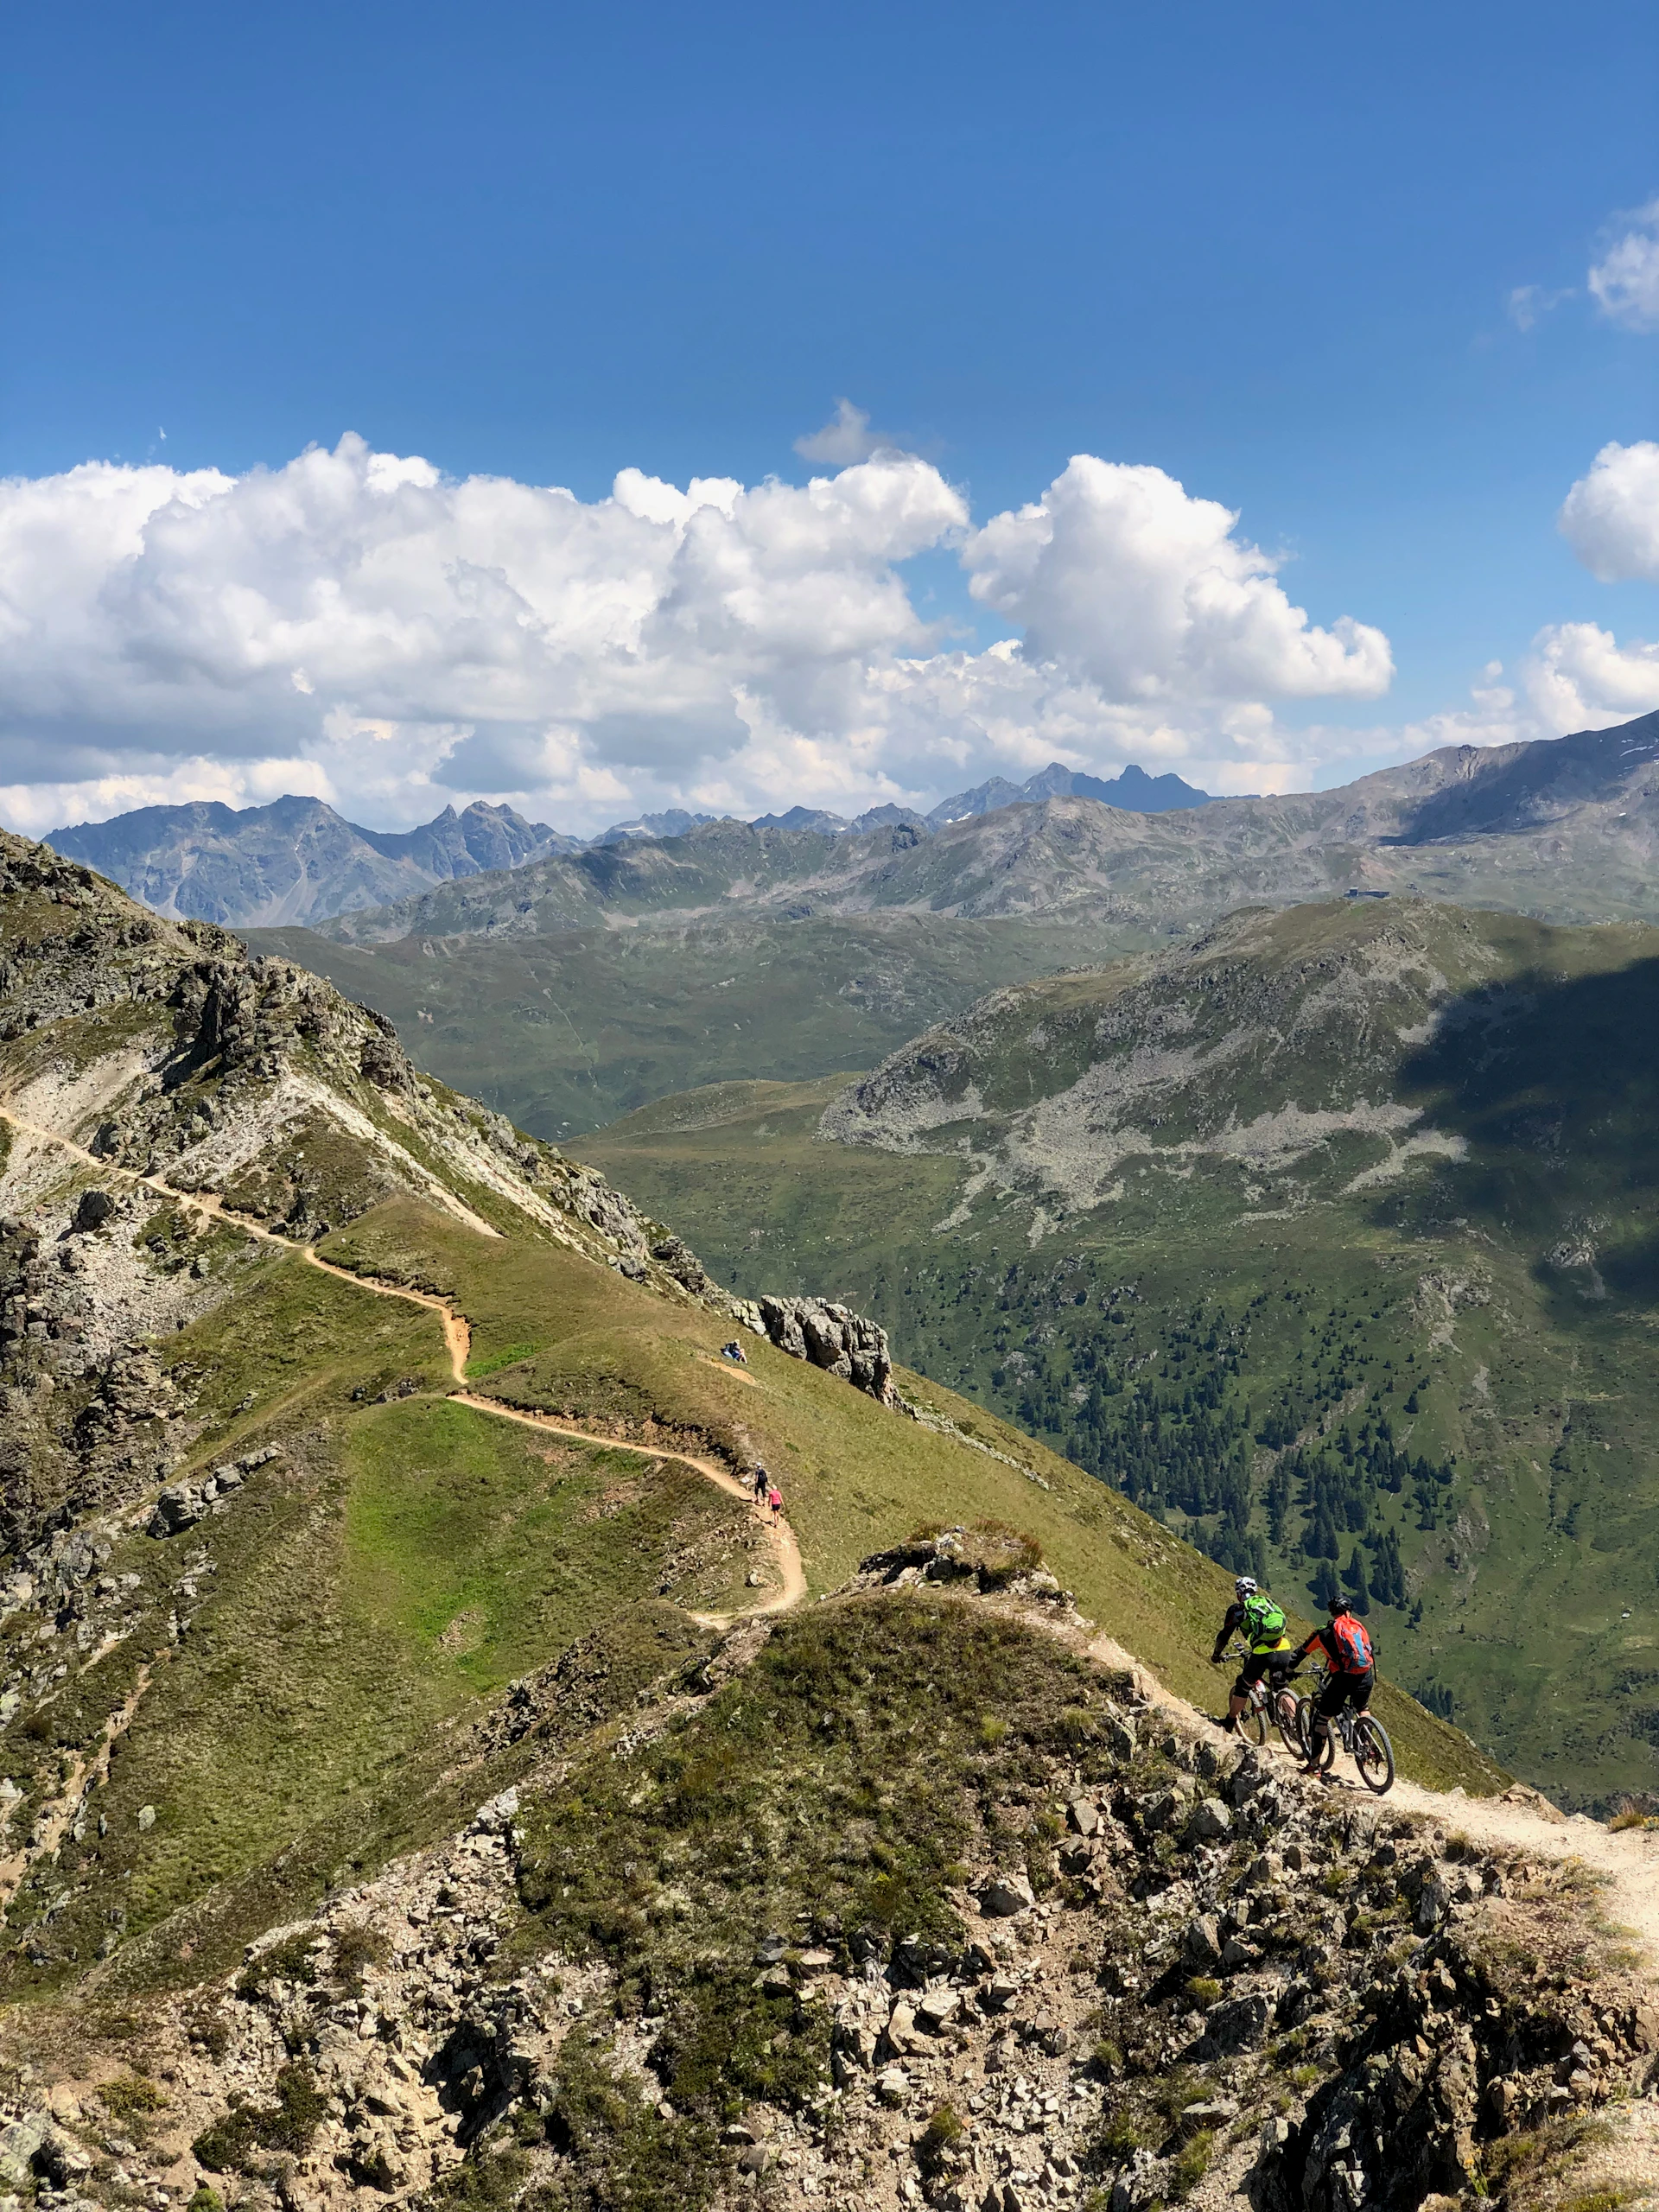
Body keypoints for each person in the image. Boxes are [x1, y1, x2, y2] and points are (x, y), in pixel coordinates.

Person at [1291, 1594, 1376, 1777]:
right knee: (1362, 1707)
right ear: (1348, 1611)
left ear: (1332, 1613)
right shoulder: (1358, 1627)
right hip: (1365, 1675)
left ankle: (1314, 1765)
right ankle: (1368, 1746)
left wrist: (1288, 1670)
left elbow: (1302, 1652)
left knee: (1321, 1719)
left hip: (1343, 1679)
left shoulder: (1323, 1632)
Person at [1209, 1576, 1294, 1734]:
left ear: (1238, 1594)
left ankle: (1229, 1721)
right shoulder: (1268, 1604)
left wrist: (1216, 1654)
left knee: (1243, 1686)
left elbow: (1224, 1635)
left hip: (1261, 1653)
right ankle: (1297, 1725)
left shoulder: (1237, 1611)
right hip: (1283, 1648)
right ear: (1255, 1591)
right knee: (1282, 1686)